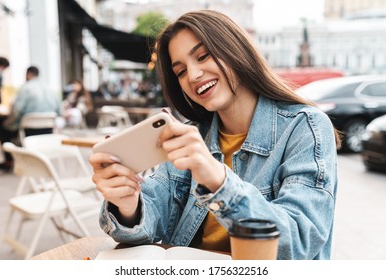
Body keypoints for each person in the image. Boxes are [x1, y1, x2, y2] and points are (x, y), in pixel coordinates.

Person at [89, 10, 341, 260]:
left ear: (235, 49)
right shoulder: (192, 134)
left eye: (203, 56)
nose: (193, 75)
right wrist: (127, 204)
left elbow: (298, 243)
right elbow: (152, 217)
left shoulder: (305, 127)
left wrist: (218, 180)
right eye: (181, 71)